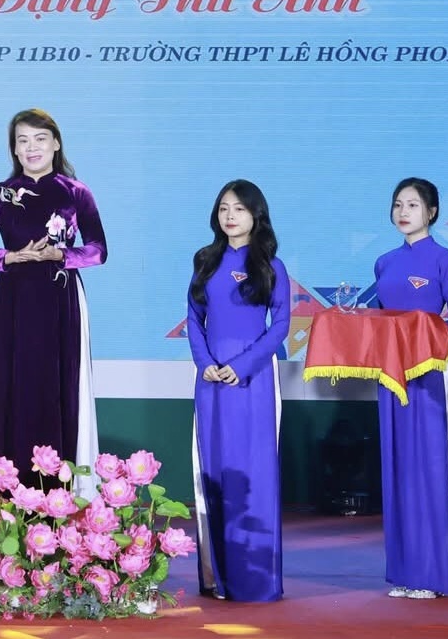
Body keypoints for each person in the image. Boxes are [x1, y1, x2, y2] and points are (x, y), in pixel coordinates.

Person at [0, 108, 106, 485]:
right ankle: (12, 489)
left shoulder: (76, 192)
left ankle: (65, 489)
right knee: (15, 387)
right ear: (14, 149)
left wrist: (60, 254)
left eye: (40, 139)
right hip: (14, 299)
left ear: (56, 143)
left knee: (60, 387)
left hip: (61, 300)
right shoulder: (0, 195)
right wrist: (10, 257)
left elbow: (98, 250)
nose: (32, 148)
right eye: (23, 141)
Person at [186, 180, 291, 603]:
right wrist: (205, 363)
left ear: (256, 215)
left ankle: (256, 580)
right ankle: (217, 578)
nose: (230, 216)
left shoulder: (271, 266)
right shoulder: (205, 260)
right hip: (210, 378)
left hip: (254, 378)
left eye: (240, 209)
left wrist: (242, 365)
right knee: (213, 470)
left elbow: (280, 327)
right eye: (224, 208)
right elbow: (193, 318)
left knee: (254, 471)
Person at [370, 177, 448, 600]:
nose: (403, 212)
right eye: (398, 204)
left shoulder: (446, 261)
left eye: (412, 204)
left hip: (428, 378)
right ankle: (404, 573)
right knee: (397, 470)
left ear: (432, 212)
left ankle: (432, 575)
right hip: (391, 378)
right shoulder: (384, 262)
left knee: (430, 471)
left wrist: (422, 335)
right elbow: (380, 320)